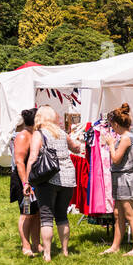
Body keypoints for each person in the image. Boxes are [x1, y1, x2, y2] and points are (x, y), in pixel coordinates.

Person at [31, 106, 82, 256]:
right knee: (62, 215)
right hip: (67, 178)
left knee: (46, 216)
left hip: (48, 178)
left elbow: (33, 156)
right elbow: (76, 149)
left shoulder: (39, 134)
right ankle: (65, 250)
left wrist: (28, 181)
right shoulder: (62, 133)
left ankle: (47, 253)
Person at [103, 102, 133, 256]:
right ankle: (115, 246)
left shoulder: (126, 138)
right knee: (118, 215)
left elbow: (116, 159)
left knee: (130, 214)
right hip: (120, 178)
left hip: (126, 179)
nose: (111, 128)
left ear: (115, 123)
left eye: (111, 125)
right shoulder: (124, 137)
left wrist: (111, 144)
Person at [11, 109, 41, 256]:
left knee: (37, 213)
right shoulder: (23, 136)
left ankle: (36, 243)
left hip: (35, 179)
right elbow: (19, 162)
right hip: (24, 180)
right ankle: (26, 245)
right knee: (27, 212)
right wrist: (25, 184)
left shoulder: (35, 135)